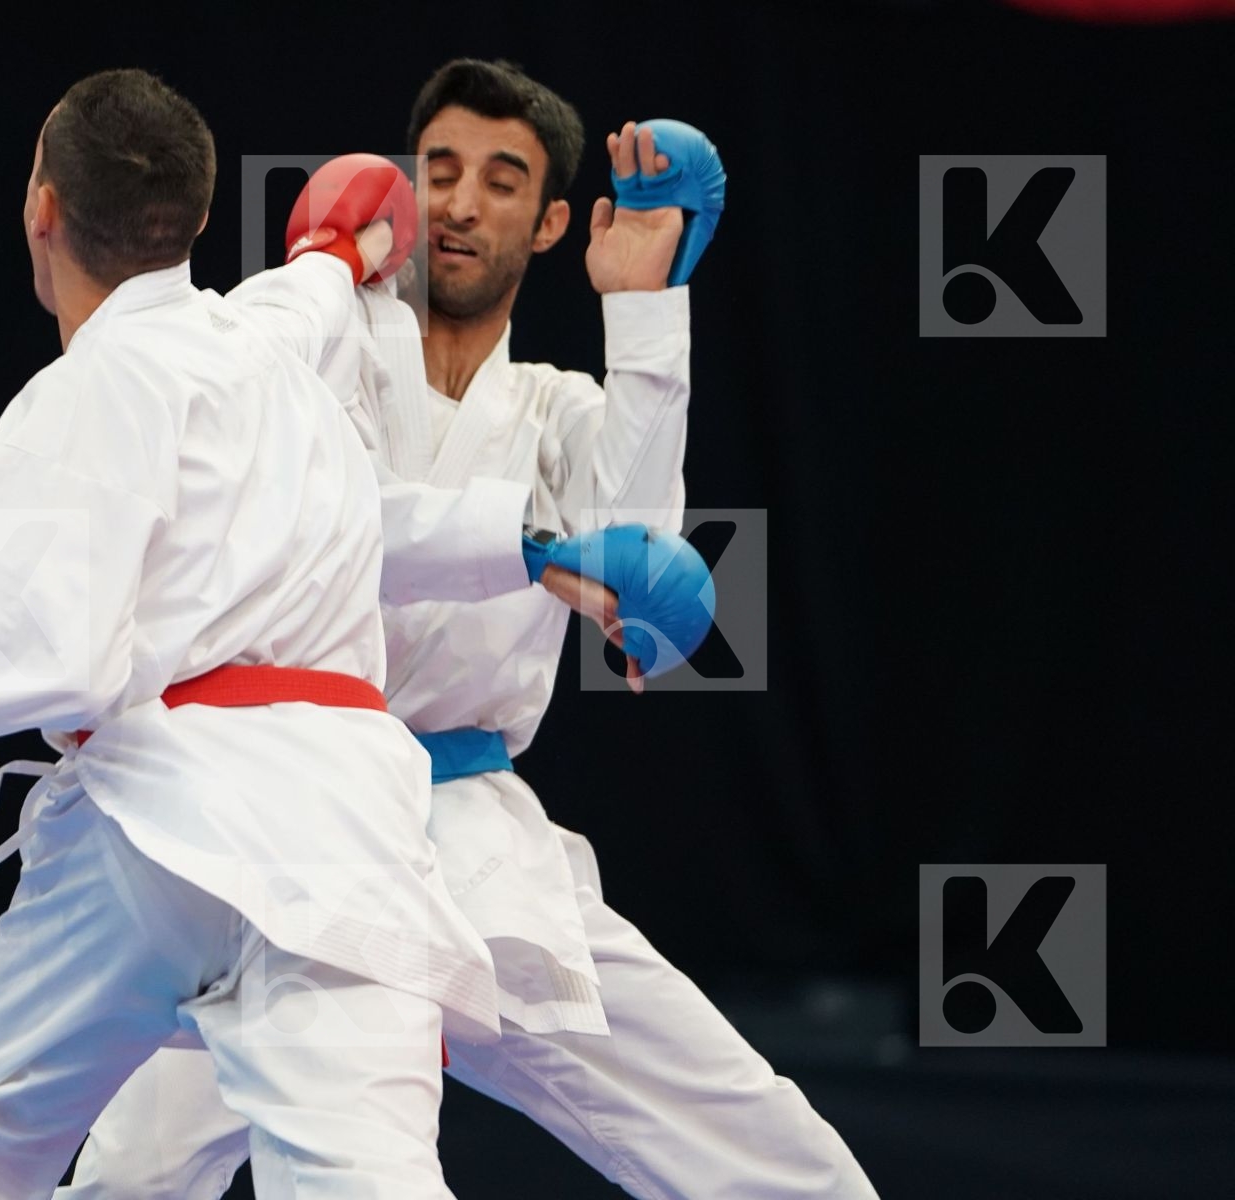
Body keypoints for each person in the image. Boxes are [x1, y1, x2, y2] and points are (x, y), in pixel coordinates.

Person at [61, 59, 877, 1199]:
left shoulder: (555, 410)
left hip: (472, 837)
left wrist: (642, 307)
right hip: (288, 832)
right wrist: (530, 544)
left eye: (502, 181)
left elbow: (638, 560)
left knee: (758, 1146)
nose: (459, 201)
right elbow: (334, 521)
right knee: (130, 1177)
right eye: (438, 170)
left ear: (549, 222)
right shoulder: (319, 338)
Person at [0, 68, 503, 1199]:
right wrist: (343, 249)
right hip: (349, 840)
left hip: (161, 822)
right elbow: (307, 292)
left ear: (40, 209)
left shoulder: (77, 399)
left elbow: (50, 651)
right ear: (200, 221)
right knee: (370, 1183)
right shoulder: (263, 341)